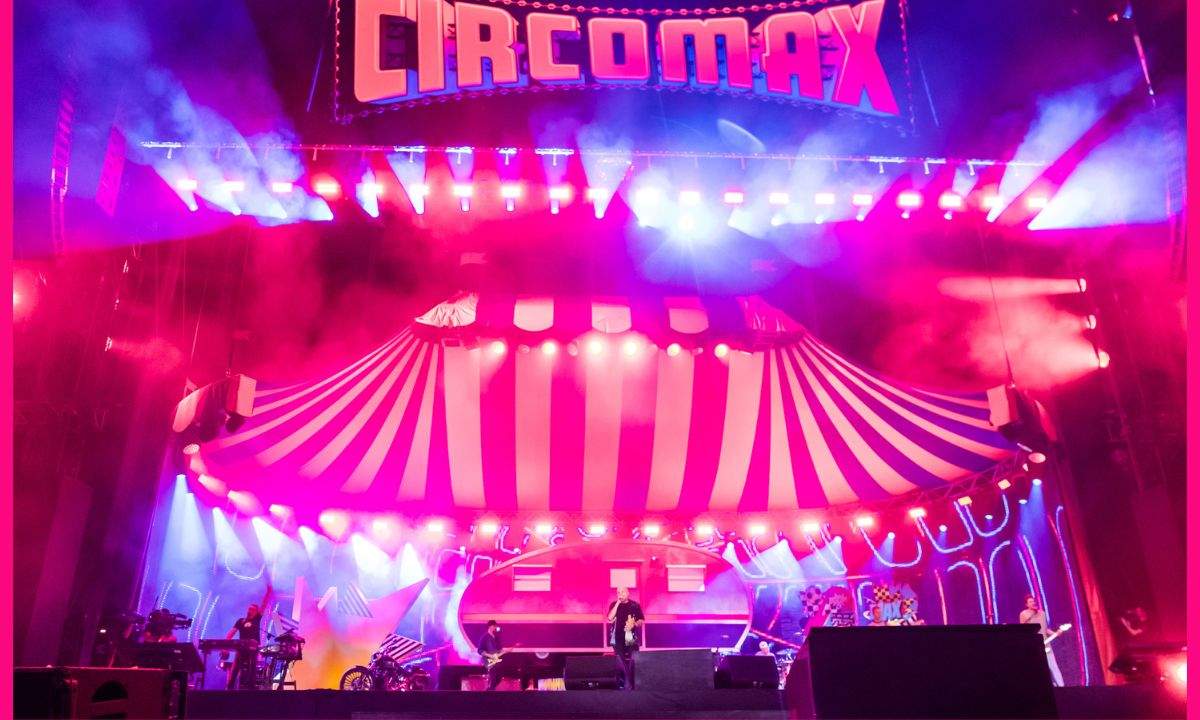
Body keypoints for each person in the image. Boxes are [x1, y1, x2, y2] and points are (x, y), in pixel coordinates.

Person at [223, 586, 272, 690]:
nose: (250, 610)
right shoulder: (241, 621)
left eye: (252, 609)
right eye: (249, 609)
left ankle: (250, 687)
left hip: (253, 647)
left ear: (256, 612)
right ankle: (230, 687)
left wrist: (268, 593)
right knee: (236, 667)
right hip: (241, 647)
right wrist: (225, 645)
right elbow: (231, 632)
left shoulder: (257, 619)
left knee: (251, 666)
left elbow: (264, 605)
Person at [1020, 594, 1064, 687]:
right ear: (1026, 604)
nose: (1033, 603)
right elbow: (1022, 630)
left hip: (1046, 645)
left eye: (1033, 601)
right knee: (1039, 668)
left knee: (1053, 666)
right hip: (1034, 646)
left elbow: (1045, 629)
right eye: (1030, 602)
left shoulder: (1042, 613)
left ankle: (1061, 686)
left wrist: (1055, 633)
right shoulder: (1024, 614)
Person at [606, 588, 644, 690]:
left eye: (622, 592)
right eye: (618, 592)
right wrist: (618, 603)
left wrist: (634, 624)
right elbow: (610, 618)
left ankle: (630, 682)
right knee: (620, 660)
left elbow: (641, 620)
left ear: (628, 593)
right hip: (617, 637)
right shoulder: (614, 604)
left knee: (632, 659)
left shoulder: (634, 605)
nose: (620, 594)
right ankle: (626, 682)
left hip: (629, 636)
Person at [477, 620, 514, 690]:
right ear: (490, 626)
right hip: (489, 660)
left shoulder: (496, 637)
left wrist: (507, 650)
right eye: (494, 626)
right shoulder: (484, 637)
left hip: (496, 659)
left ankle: (490, 689)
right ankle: (490, 690)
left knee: (499, 676)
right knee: (493, 675)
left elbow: (499, 649)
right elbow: (479, 650)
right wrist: (489, 655)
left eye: (495, 626)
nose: (495, 627)